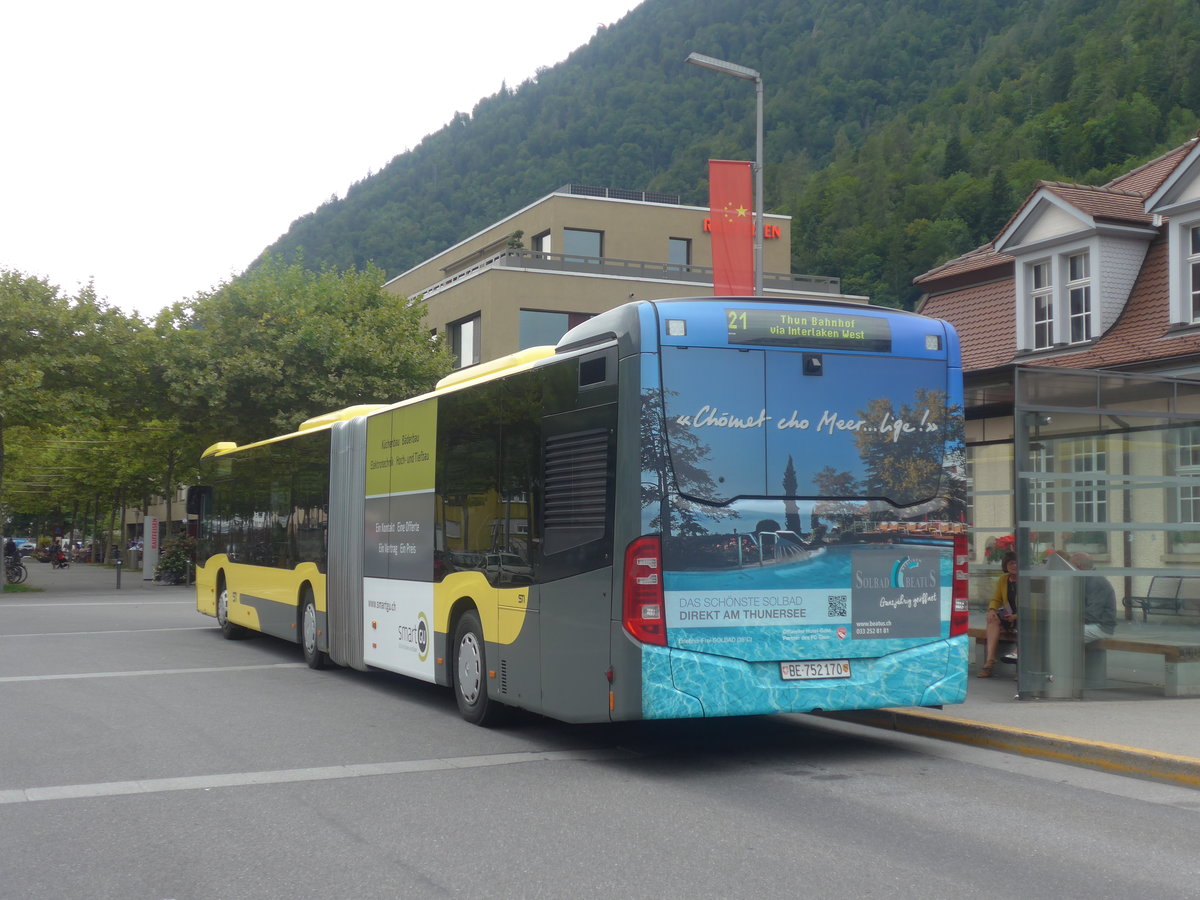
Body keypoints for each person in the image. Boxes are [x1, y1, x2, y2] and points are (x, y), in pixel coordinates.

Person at [978, 551, 1018, 678]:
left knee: (1026, 623)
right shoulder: (1003, 579)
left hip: (1023, 613)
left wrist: (1016, 617)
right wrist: (991, 610)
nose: (1014, 566)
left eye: (1017, 563)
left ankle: (1020, 662)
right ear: (1006, 565)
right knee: (992, 619)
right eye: (1011, 563)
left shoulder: (1026, 579)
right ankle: (990, 662)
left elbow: (1031, 604)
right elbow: (996, 599)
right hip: (1009, 612)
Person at [1069, 552, 1116, 641]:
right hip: (1093, 624)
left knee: (1064, 634)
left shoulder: (1095, 581)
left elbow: (1093, 614)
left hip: (1101, 627)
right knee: (1061, 631)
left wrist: (1070, 620)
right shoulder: (1088, 578)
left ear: (1078, 566)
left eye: (1070, 566)